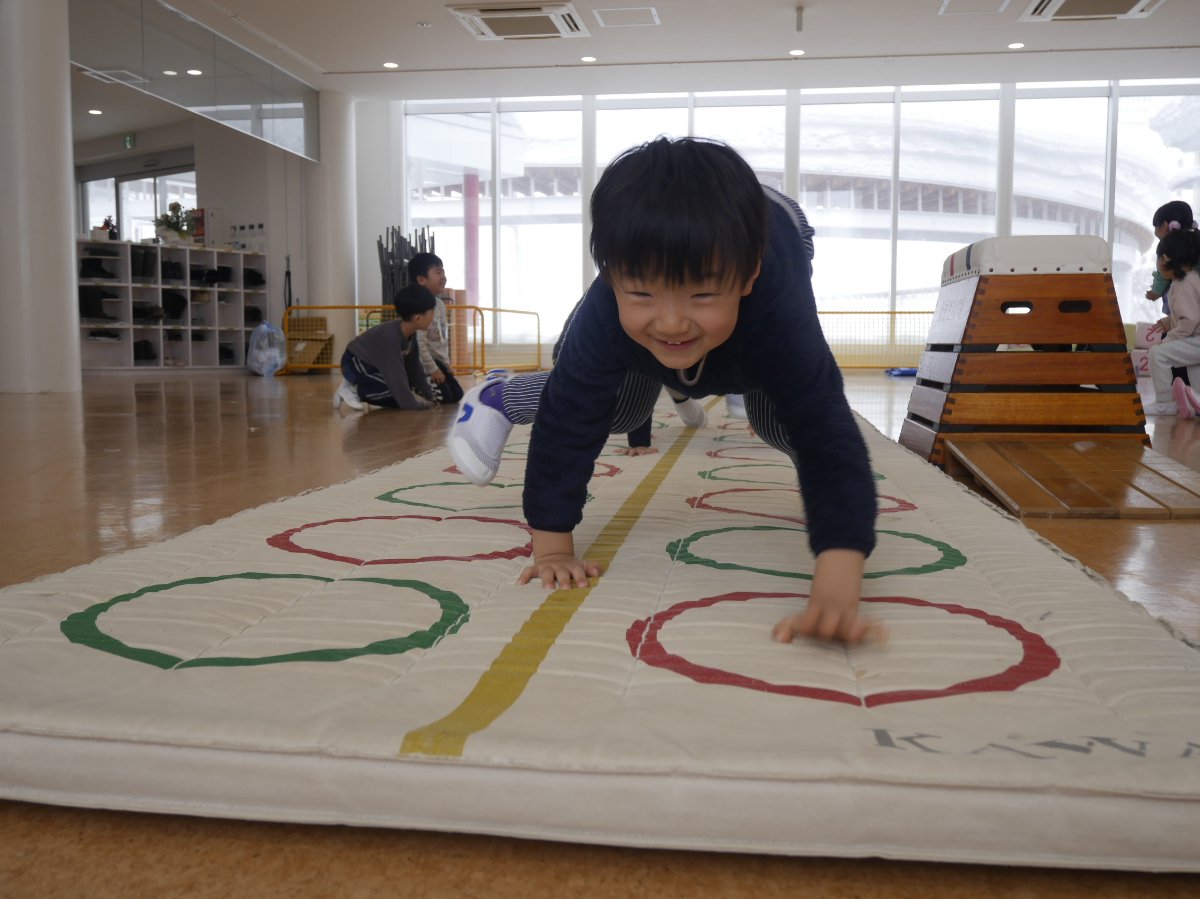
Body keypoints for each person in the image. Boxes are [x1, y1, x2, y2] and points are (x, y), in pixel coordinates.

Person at [448, 137, 878, 645]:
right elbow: (569, 419)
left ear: (748, 276)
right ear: (611, 276)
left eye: (702, 294)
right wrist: (553, 548)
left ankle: (688, 372)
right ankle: (500, 396)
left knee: (782, 425)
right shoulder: (606, 313)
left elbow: (826, 433)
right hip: (650, 319)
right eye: (641, 293)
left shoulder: (779, 314)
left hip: (779, 227)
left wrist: (837, 579)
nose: (671, 321)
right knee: (616, 410)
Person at [332, 283, 439, 412]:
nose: (433, 318)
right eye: (432, 313)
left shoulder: (411, 334)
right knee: (393, 389)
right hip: (353, 364)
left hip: (373, 367)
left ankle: (357, 386)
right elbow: (396, 378)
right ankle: (354, 389)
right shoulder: (390, 338)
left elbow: (414, 368)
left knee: (402, 387)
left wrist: (430, 396)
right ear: (417, 318)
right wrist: (412, 406)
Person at [1145, 228, 1200, 417]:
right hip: (1196, 340)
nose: (1158, 263)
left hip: (1197, 340)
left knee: (1157, 353)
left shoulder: (1182, 285)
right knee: (1194, 366)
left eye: (1159, 258)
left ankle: (1165, 403)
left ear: (1167, 259)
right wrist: (1169, 321)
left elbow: (1190, 319)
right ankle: (1196, 401)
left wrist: (1169, 338)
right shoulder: (1192, 279)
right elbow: (1193, 311)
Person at [407, 252, 464, 405]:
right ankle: (413, 386)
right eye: (438, 272)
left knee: (457, 395)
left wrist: (446, 365)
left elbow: (442, 340)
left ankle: (426, 384)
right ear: (421, 279)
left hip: (438, 361)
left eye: (443, 272)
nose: (443, 277)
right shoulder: (418, 306)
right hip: (422, 363)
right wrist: (432, 369)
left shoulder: (439, 305)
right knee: (443, 398)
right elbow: (419, 345)